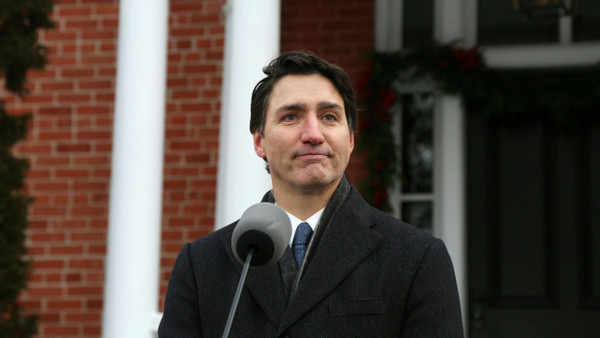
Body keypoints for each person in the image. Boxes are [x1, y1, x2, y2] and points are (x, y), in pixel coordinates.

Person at [158, 51, 464, 337]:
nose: (313, 135)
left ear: (351, 138)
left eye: (329, 117)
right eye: (291, 116)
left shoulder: (417, 258)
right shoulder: (201, 265)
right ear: (259, 141)